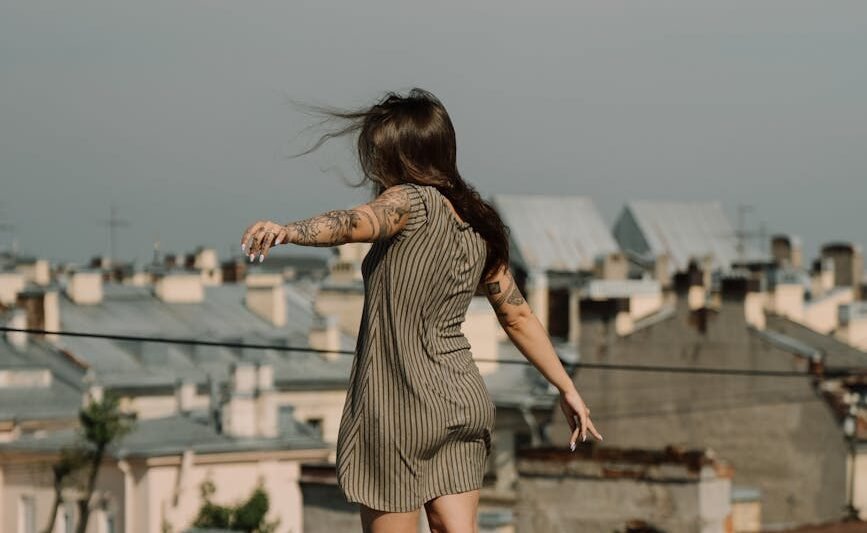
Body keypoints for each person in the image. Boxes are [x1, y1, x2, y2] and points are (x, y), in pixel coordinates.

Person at [240, 88, 602, 533]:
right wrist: (566, 387)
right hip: (462, 401)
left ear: (398, 156)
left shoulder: (409, 202)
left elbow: (358, 222)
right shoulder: (479, 221)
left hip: (399, 407)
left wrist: (289, 231)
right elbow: (518, 315)